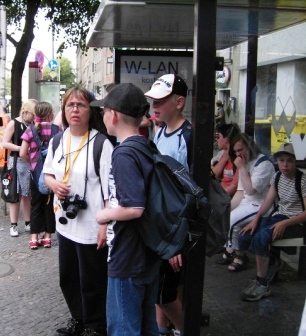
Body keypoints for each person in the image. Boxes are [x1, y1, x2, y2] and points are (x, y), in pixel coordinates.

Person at [43, 87, 113, 336]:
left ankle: (96, 326)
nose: (74, 109)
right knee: (68, 277)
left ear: (90, 110)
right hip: (65, 224)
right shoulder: (57, 140)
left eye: (80, 105)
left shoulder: (101, 144)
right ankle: (78, 318)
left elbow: (110, 191)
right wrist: (54, 185)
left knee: (92, 281)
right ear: (63, 110)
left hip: (92, 226)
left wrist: (105, 226)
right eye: (70, 105)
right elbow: (47, 172)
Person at [93, 83, 161, 336]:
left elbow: (134, 207)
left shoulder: (123, 153)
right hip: (146, 253)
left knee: (123, 329)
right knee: (146, 326)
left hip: (127, 256)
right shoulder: (146, 146)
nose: (102, 116)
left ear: (114, 114)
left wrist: (104, 215)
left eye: (104, 110)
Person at [145, 73, 190, 336]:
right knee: (162, 288)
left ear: (180, 102)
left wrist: (177, 240)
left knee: (166, 291)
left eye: (161, 100)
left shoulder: (189, 136)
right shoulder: (160, 132)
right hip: (163, 226)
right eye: (153, 100)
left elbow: (192, 193)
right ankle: (162, 330)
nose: (155, 106)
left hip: (174, 229)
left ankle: (185, 328)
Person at [238, 143, 306, 301]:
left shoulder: (302, 181)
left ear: (295, 162)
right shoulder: (277, 177)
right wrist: (255, 220)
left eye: (289, 160)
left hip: (296, 223)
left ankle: (262, 284)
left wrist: (284, 224)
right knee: (246, 235)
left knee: (261, 238)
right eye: (281, 160)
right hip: (279, 216)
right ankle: (272, 264)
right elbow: (268, 201)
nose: (284, 164)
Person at [215, 133, 275, 272]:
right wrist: (227, 207)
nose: (238, 154)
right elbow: (241, 192)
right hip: (248, 203)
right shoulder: (246, 163)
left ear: (249, 147)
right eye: (235, 151)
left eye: (240, 150)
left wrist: (241, 169)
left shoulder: (263, 164)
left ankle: (237, 254)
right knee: (227, 216)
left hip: (261, 204)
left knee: (232, 220)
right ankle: (234, 251)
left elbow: (251, 190)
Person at [20, 102, 59, 250]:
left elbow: (23, 153)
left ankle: (34, 237)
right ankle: (48, 237)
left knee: (35, 204)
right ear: (50, 114)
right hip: (52, 174)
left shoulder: (30, 130)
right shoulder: (57, 129)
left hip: (35, 174)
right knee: (49, 205)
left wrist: (32, 163)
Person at [2, 99, 38, 237]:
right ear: (26, 112)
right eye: (33, 114)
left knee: (27, 194)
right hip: (16, 161)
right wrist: (21, 148)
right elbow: (5, 142)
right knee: (15, 194)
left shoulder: (32, 124)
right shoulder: (14, 123)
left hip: (28, 161)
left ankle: (28, 222)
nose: (34, 118)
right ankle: (13, 224)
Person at [211, 123, 241, 196]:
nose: (216, 140)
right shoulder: (221, 154)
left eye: (218, 137)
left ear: (227, 139)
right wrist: (224, 158)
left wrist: (217, 198)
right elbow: (212, 175)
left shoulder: (239, 158)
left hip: (226, 197)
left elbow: (233, 187)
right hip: (219, 192)